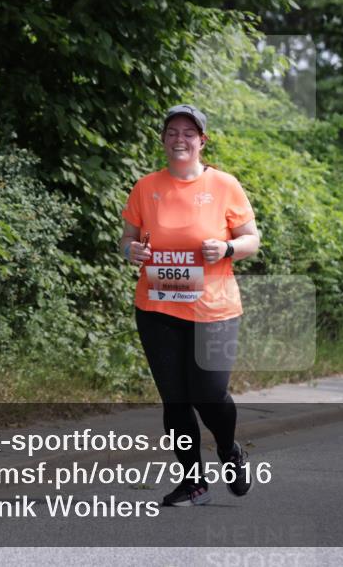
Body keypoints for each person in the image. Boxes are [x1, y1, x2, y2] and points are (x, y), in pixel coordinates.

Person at [120, 104, 261, 507]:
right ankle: (192, 480)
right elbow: (127, 238)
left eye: (188, 132)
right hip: (157, 308)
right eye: (172, 132)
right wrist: (131, 251)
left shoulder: (224, 185)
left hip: (213, 310)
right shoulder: (146, 187)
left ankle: (230, 450)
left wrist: (228, 247)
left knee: (209, 394)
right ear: (163, 139)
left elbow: (251, 238)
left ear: (202, 141)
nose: (179, 139)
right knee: (176, 399)